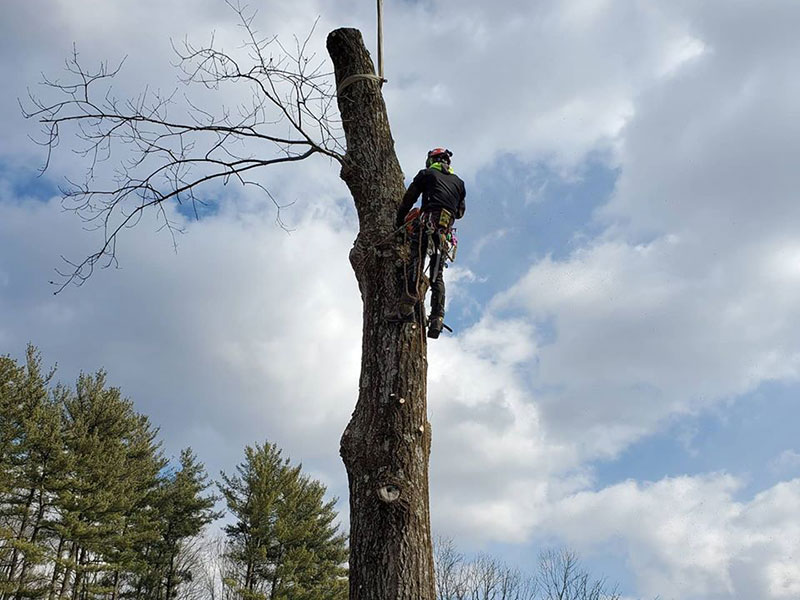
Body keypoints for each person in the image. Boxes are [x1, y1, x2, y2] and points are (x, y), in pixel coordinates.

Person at [392, 147, 466, 338]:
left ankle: (406, 307)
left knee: (416, 262)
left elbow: (409, 199)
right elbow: (459, 212)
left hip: (427, 225)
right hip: (443, 232)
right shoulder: (459, 183)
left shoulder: (426, 174)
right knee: (436, 276)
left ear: (431, 160)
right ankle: (437, 319)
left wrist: (399, 221)